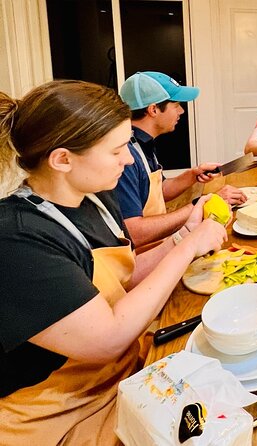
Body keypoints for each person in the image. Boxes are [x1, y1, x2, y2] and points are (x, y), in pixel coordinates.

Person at [0, 80, 228, 445]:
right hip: (59, 415)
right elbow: (106, 337)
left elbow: (122, 278)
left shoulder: (91, 199)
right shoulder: (17, 238)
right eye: (117, 149)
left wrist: (182, 236)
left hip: (123, 376)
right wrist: (187, 250)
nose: (127, 159)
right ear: (62, 159)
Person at [115, 71, 246, 249]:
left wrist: (193, 175)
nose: (182, 111)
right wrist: (200, 204)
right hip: (142, 262)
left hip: (157, 246)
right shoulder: (125, 158)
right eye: (176, 105)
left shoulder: (142, 143)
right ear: (153, 109)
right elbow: (134, 233)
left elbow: (156, 192)